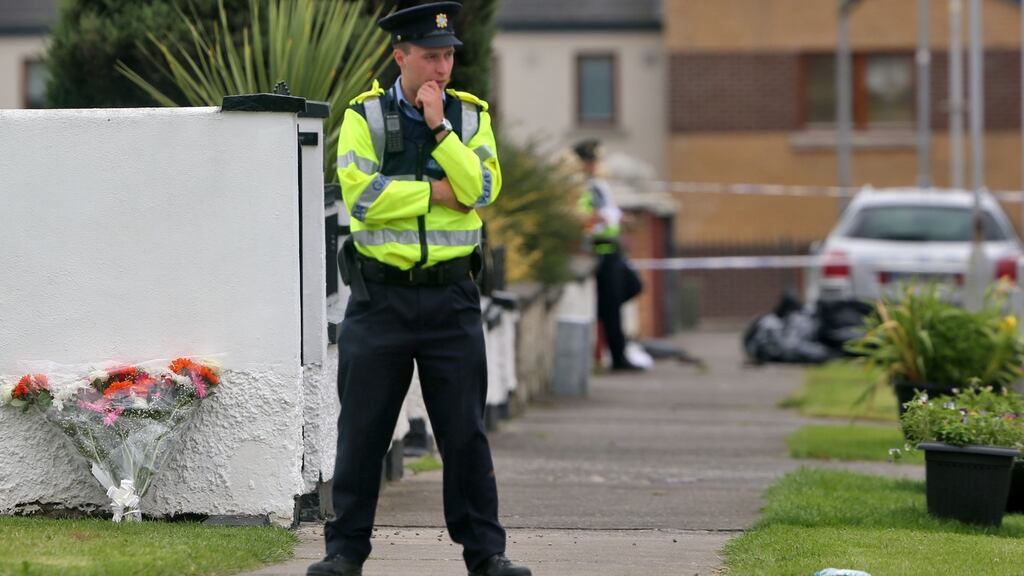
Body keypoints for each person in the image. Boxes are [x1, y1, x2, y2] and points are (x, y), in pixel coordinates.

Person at [307, 3, 531, 576]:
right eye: (431, 55)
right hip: (379, 299)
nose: (443, 66)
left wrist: (439, 128)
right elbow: (361, 198)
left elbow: (480, 188)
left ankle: (487, 556)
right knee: (362, 434)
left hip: (452, 298)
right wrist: (435, 193)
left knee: (464, 436)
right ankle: (344, 554)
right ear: (399, 55)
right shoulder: (366, 117)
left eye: (449, 54)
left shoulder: (469, 117)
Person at [574, 139, 644, 372]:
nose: (595, 164)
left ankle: (603, 316)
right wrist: (593, 218)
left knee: (632, 287)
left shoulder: (598, 184)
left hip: (612, 247)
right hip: (599, 251)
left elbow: (605, 210)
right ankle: (618, 357)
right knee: (612, 307)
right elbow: (581, 214)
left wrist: (619, 218)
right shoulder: (579, 185)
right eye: (592, 160)